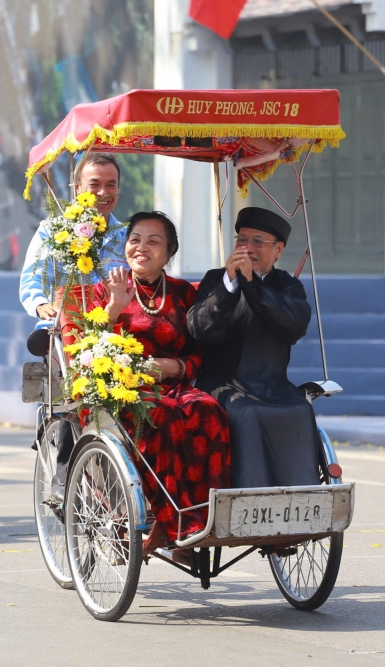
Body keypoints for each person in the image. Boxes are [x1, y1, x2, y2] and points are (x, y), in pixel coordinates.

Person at [90, 211, 230, 555]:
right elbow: (88, 352)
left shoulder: (184, 293)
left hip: (174, 385)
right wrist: (113, 308)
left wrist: (175, 367)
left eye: (154, 241)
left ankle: (204, 521)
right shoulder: (103, 289)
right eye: (135, 239)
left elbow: (202, 352)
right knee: (161, 414)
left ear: (169, 251)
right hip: (123, 391)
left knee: (209, 410)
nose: (142, 247)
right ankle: (172, 522)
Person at [187, 206, 321, 489]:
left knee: (300, 411)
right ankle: (249, 497)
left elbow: (294, 325)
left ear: (278, 250)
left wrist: (252, 286)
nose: (247, 248)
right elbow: (199, 328)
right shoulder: (216, 280)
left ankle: (300, 496)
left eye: (257, 242)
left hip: (273, 384)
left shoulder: (288, 286)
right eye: (241, 240)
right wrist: (232, 285)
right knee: (246, 413)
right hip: (222, 384)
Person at [19, 152, 129, 322]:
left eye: (111, 185)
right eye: (94, 184)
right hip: (64, 333)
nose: (102, 192)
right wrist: (40, 305)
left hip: (118, 332)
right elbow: (32, 281)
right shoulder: (52, 231)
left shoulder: (129, 238)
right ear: (77, 187)